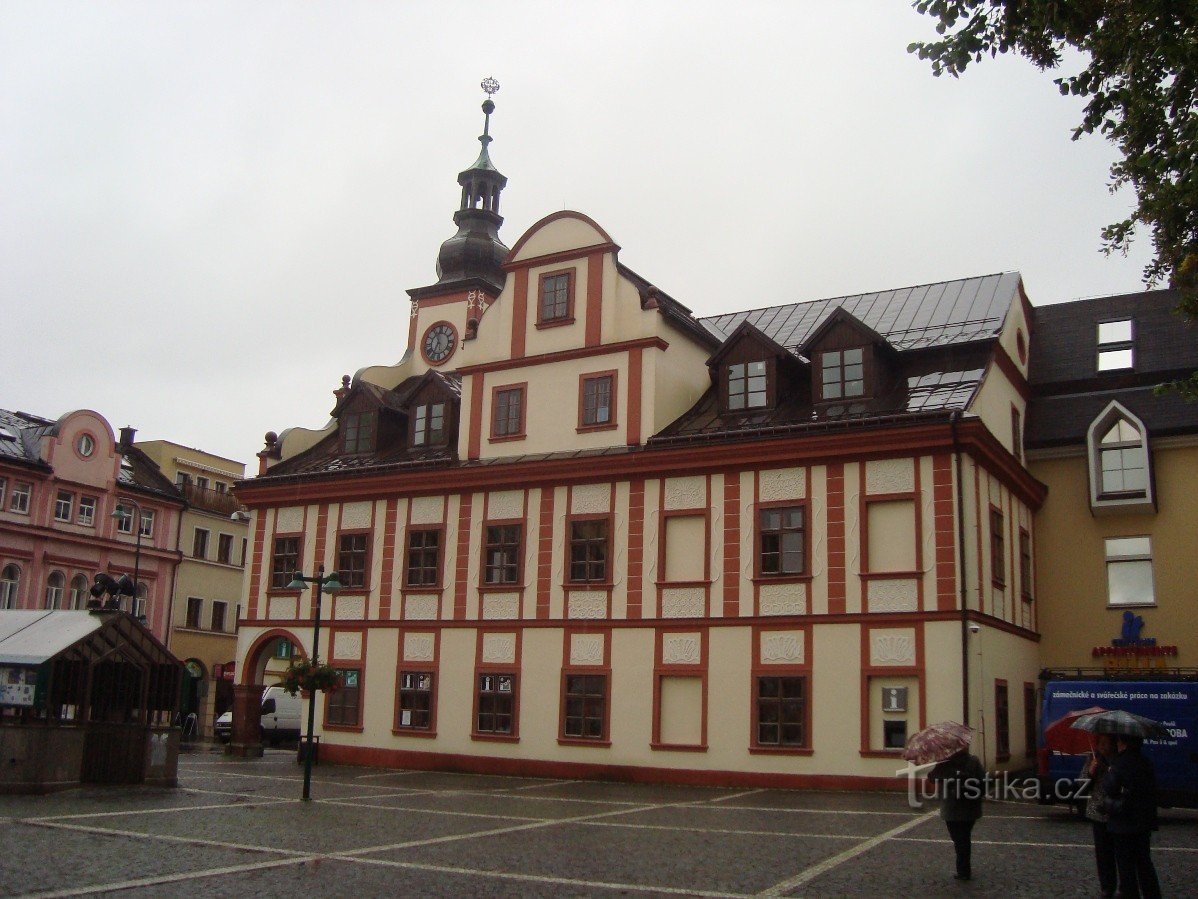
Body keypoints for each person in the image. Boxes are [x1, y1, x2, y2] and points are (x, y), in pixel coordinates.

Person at [1102, 734, 1161, 899]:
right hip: (1143, 821)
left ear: (1124, 743)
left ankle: (1131, 894)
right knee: (1144, 863)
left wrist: (1109, 772)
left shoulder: (1120, 763)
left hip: (1123, 822)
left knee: (1126, 867)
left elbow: (1110, 787)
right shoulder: (1145, 762)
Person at [929, 748, 986, 881]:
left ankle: (963, 871)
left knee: (959, 839)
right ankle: (964, 870)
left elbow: (932, 777)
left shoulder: (945, 762)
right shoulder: (973, 761)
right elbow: (984, 780)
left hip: (952, 808)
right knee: (964, 837)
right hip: (971, 807)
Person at [1082, 734, 1119, 898]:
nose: (1102, 746)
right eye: (1100, 742)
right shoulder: (1093, 758)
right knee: (1103, 854)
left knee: (1119, 852)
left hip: (1116, 813)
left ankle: (1123, 885)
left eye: (1106, 742)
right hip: (1098, 813)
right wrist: (1090, 772)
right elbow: (1081, 786)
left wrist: (1113, 772)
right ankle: (1107, 886)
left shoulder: (1118, 760)